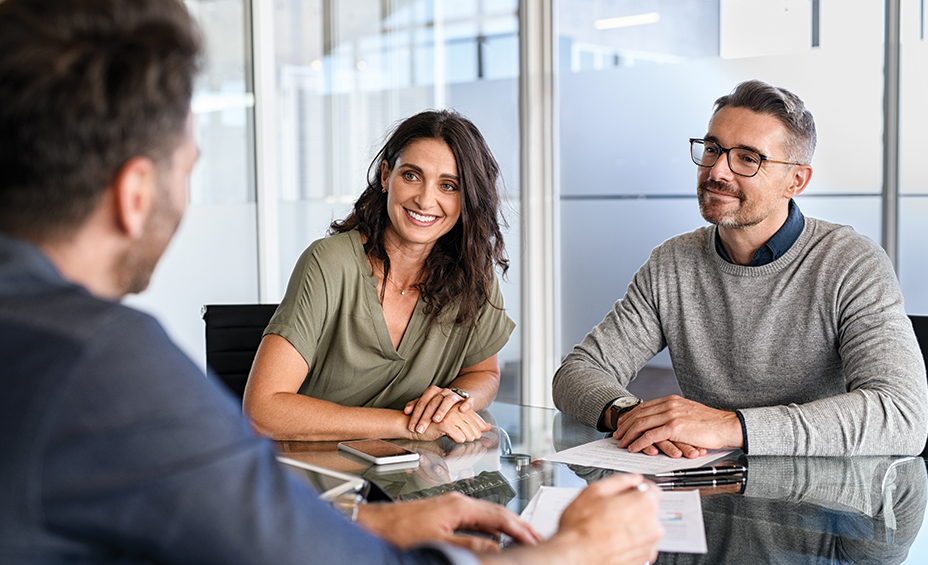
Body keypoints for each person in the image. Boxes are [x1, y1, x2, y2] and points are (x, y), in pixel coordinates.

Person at [0, 1, 665, 564]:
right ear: (136, 193)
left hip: (372, 498)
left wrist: (384, 518)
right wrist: (570, 549)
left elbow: (242, 531)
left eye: (449, 185)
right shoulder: (103, 367)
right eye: (191, 161)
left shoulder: (41, 337)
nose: (426, 196)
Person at [553, 79, 928, 458]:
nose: (717, 172)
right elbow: (577, 372)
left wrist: (729, 425)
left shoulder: (851, 263)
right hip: (706, 490)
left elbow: (901, 416)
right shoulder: (672, 263)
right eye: (713, 149)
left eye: (748, 158)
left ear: (795, 180)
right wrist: (632, 416)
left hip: (826, 501)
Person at [244, 110, 514, 443]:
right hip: (313, 477)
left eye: (448, 185)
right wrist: (407, 426)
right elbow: (262, 411)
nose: (425, 199)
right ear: (386, 176)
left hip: (413, 479)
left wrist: (456, 398)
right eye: (412, 176)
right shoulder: (329, 263)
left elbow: (483, 372)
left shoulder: (474, 272)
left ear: (467, 197)